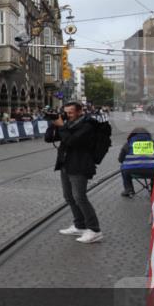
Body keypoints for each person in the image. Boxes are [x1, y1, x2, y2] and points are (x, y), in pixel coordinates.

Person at [45, 102, 102, 244]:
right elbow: (48, 138)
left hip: (79, 165)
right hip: (66, 164)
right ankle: (80, 225)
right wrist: (53, 123)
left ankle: (95, 230)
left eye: (70, 112)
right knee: (69, 196)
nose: (67, 115)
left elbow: (72, 141)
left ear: (79, 111)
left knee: (79, 197)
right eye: (65, 112)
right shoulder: (68, 124)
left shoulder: (88, 125)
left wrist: (62, 126)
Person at [117, 127, 154, 197]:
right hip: (152, 171)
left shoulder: (127, 144)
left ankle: (129, 189)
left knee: (123, 168)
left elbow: (120, 160)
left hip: (132, 171)